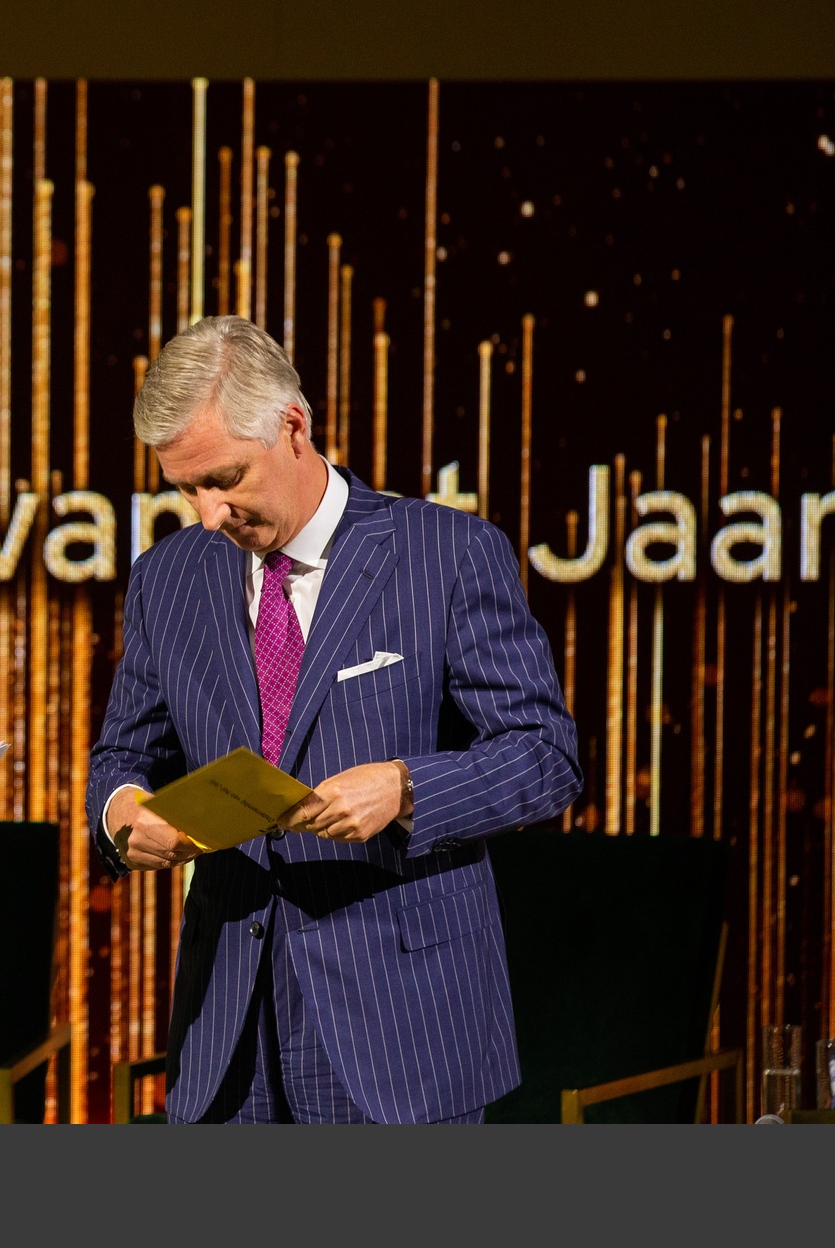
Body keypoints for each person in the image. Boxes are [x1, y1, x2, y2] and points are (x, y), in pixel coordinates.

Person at [88, 316, 580, 1124]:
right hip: (227, 1031)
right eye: (186, 489)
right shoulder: (166, 579)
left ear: (293, 426)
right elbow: (122, 754)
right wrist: (121, 817)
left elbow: (545, 757)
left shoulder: (446, 554)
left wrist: (407, 787)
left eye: (224, 478)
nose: (208, 514)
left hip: (403, 1028)